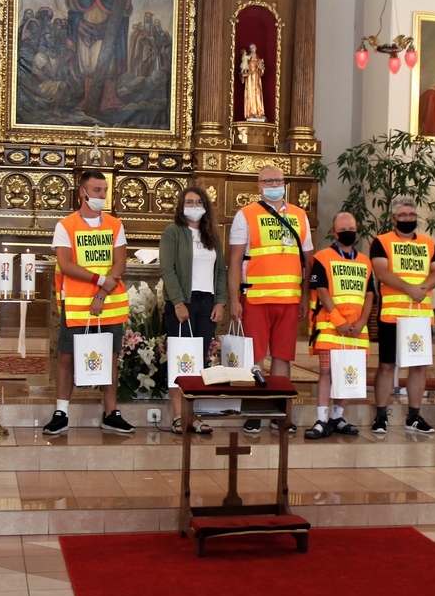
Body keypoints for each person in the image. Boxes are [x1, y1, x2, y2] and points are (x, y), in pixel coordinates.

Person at [46, 169, 133, 435]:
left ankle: (111, 413)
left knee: (110, 357)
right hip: (76, 305)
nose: (102, 195)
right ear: (82, 192)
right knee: (67, 357)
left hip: (108, 305)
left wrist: (101, 293)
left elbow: (120, 263)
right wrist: (99, 280)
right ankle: (61, 412)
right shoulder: (66, 225)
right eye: (97, 190)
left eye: (105, 190)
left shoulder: (115, 225)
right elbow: (65, 264)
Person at [229, 166, 314, 434]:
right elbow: (234, 261)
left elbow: (308, 261)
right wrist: (234, 299)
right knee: (255, 358)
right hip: (255, 297)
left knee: (283, 357)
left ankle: (279, 413)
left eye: (278, 180)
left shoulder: (299, 215)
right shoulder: (245, 215)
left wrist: (305, 296)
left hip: (289, 299)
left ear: (284, 183)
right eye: (268, 181)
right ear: (259, 186)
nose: (274, 184)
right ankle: (254, 411)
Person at [370, 196, 435, 434]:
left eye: (412, 215)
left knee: (419, 367)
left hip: (420, 316)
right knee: (386, 366)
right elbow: (381, 272)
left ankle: (414, 416)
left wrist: (422, 288)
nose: (408, 219)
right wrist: (409, 288)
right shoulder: (382, 241)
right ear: (393, 218)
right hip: (392, 315)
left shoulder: (427, 243)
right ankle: (381, 416)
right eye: (403, 215)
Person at [160, 186, 227, 435]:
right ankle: (179, 416)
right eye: (189, 202)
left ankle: (194, 415)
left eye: (199, 202)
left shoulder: (212, 236)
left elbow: (221, 271)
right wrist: (178, 302)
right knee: (181, 360)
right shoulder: (173, 232)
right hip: (182, 303)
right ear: (181, 206)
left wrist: (220, 301)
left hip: (207, 303)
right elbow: (167, 269)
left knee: (199, 362)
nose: (194, 206)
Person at [305, 212, 375, 439]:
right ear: (334, 233)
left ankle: (337, 417)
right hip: (330, 326)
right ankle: (321, 419)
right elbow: (322, 291)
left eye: (351, 229)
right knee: (326, 372)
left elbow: (370, 294)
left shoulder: (365, 261)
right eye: (343, 230)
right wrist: (339, 321)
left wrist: (362, 322)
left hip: (357, 329)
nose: (348, 233)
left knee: (348, 371)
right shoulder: (322, 258)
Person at [241, 43, 266, 121]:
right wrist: (244, 73)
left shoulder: (259, 60)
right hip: (249, 79)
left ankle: (259, 112)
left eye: (253, 47)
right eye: (251, 48)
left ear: (256, 48)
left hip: (256, 78)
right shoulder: (247, 59)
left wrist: (260, 68)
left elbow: (262, 72)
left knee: (257, 94)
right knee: (250, 94)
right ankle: (250, 112)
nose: (252, 49)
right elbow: (244, 69)